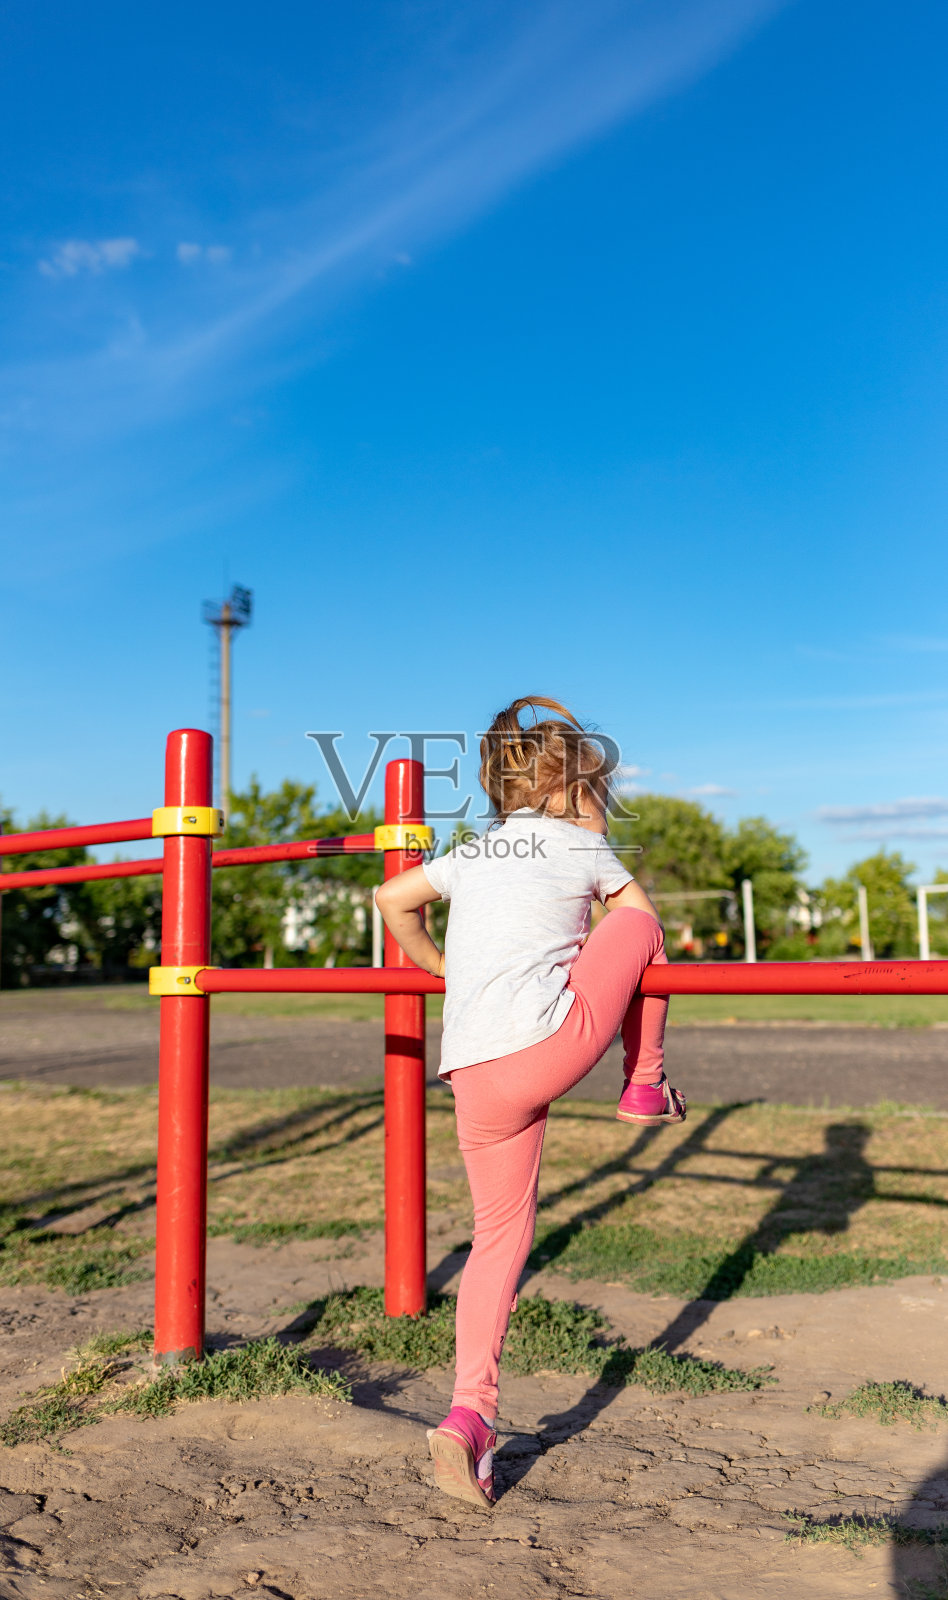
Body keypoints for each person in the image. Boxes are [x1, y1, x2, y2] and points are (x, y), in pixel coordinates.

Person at [375, 696, 685, 1510]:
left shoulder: (472, 853)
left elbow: (391, 900)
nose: (602, 807)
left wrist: (443, 968)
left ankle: (468, 1416)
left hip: (471, 1073)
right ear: (567, 790)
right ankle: (645, 1081)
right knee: (644, 933)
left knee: (497, 1237)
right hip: (542, 1049)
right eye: (595, 790)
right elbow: (641, 923)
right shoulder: (586, 848)